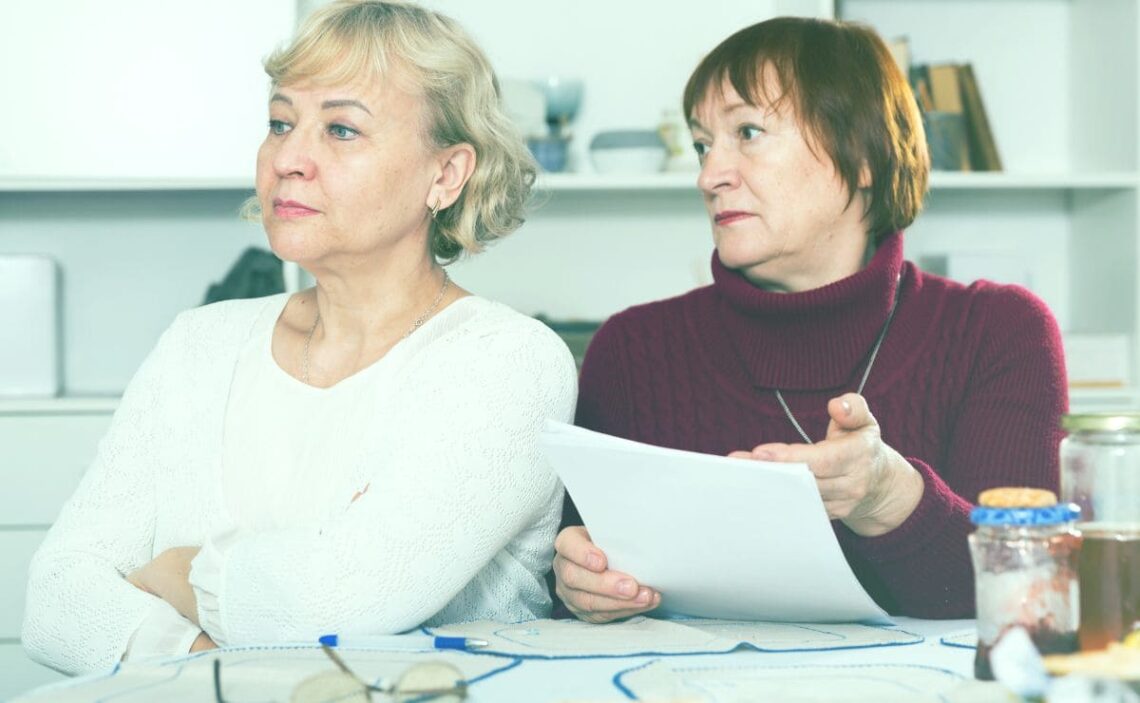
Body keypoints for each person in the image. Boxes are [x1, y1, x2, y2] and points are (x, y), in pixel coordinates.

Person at [23, 0, 577, 675]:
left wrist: (181, 574)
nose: (289, 157)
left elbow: (343, 595)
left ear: (446, 174)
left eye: (341, 129)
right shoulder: (199, 342)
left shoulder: (510, 361)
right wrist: (202, 658)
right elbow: (55, 597)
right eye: (280, 123)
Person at [552, 16, 1066, 623]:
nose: (708, 175)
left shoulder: (1000, 332)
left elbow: (1031, 603)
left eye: (747, 131)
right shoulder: (631, 350)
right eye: (701, 144)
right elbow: (571, 577)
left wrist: (888, 498)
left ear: (865, 155)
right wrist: (578, 582)